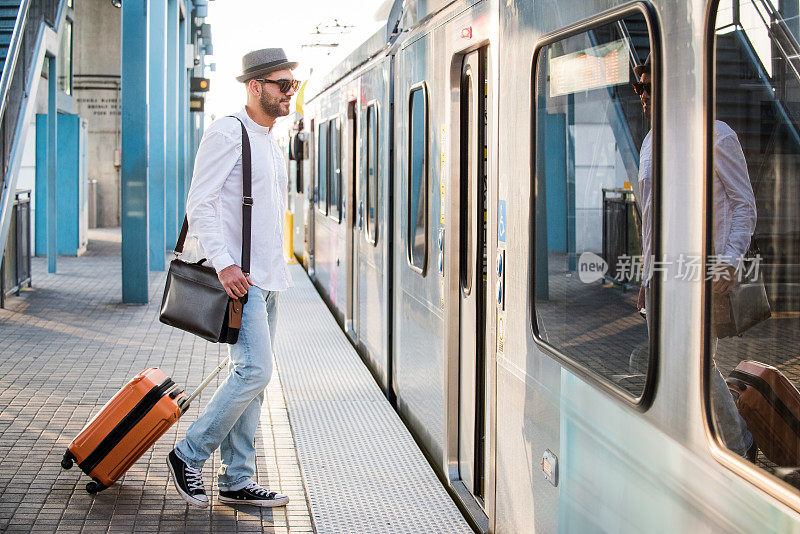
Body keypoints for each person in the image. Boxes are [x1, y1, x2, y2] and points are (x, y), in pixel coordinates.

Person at [166, 48, 299, 507]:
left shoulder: (270, 142)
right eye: (282, 85)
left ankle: (237, 479)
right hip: (242, 280)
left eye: (292, 86)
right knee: (255, 370)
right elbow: (199, 204)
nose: (289, 94)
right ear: (255, 86)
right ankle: (189, 453)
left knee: (254, 380)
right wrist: (223, 263)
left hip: (268, 279)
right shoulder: (229, 132)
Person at [632, 54, 756, 459]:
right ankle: (703, 446)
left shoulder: (717, 136)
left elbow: (744, 204)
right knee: (673, 367)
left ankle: (739, 445)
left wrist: (731, 260)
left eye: (647, 87)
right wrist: (645, 276)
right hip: (661, 277)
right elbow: (648, 215)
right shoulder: (650, 142)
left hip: (701, 275)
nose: (642, 96)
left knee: (696, 364)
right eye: (639, 87)